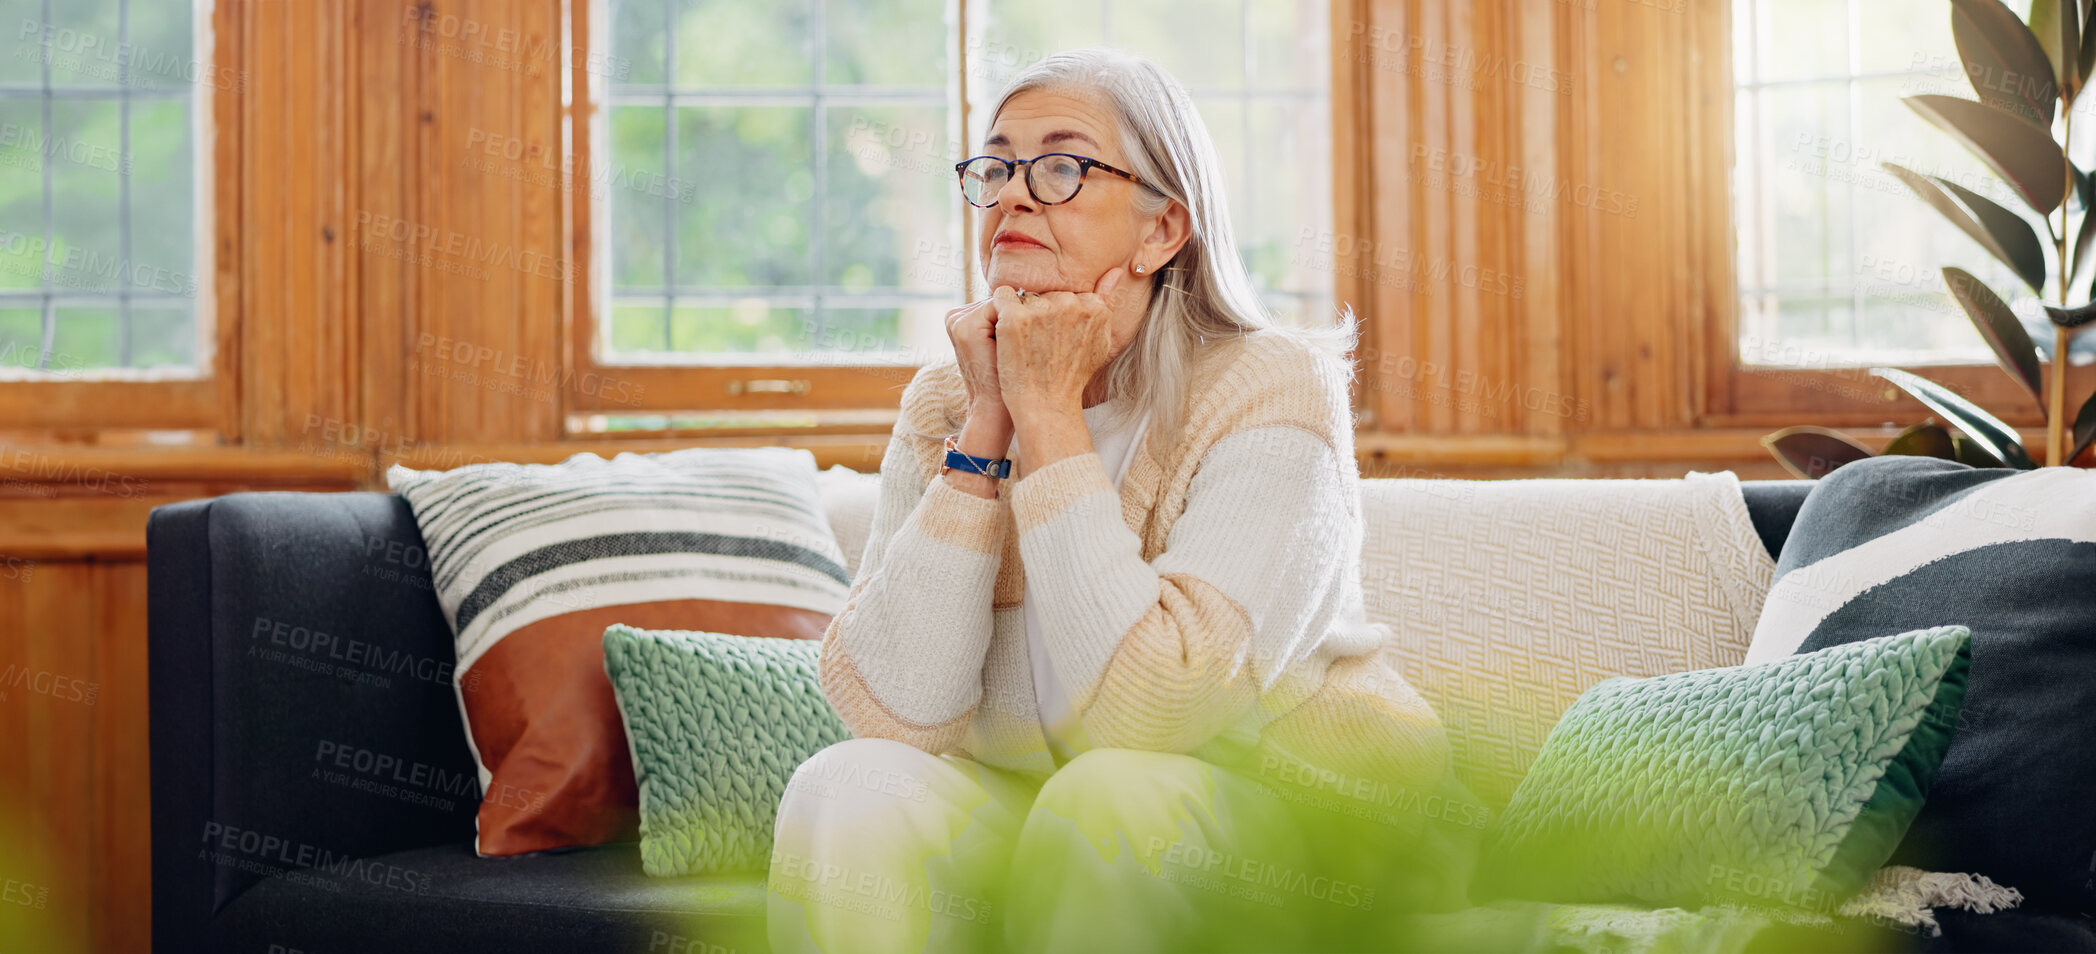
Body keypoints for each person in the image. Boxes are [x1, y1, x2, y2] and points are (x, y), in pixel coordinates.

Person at [767, 47, 1474, 954]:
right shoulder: (949, 399)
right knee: (848, 786)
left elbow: (1159, 715)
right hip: (1039, 810)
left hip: (1293, 827)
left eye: (1062, 165)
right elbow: (895, 709)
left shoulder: (1270, 386)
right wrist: (989, 421)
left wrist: (1050, 414)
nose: (1014, 196)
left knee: (1111, 794)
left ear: (1162, 230)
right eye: (996, 167)